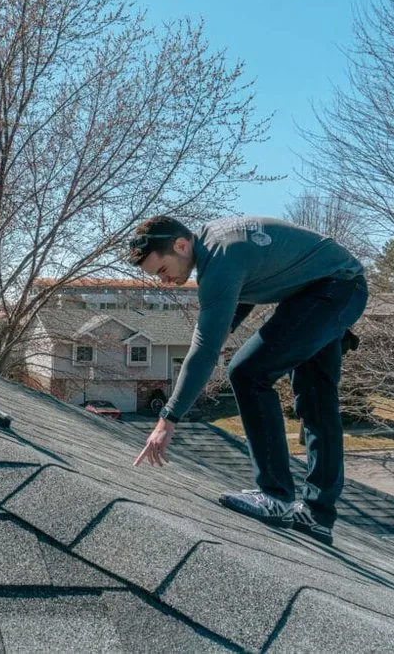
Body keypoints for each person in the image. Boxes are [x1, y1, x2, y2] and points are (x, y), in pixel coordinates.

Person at [129, 215, 367, 545]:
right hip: (334, 287)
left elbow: (203, 352)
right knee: (316, 400)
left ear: (180, 245)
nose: (164, 282)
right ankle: (318, 514)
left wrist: (167, 420)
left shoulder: (221, 259)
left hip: (331, 289)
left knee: (247, 373)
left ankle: (275, 495)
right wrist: (226, 325)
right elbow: (256, 280)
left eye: (162, 270)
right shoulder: (216, 243)